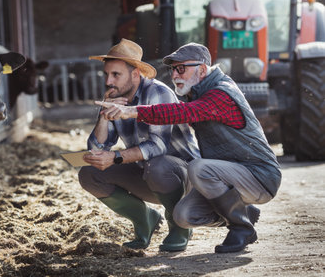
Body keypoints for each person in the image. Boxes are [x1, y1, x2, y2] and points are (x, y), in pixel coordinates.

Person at [95, 42, 282, 253]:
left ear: (202, 70)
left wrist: (132, 111)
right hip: (229, 176)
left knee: (199, 168)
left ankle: (240, 228)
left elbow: (183, 112)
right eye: (173, 69)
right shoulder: (199, 92)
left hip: (260, 176)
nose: (175, 75)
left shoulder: (221, 93)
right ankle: (242, 212)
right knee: (183, 217)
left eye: (181, 68)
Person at [79, 39, 200, 251]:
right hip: (149, 174)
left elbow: (157, 147)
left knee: (158, 165)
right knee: (89, 174)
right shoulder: (117, 98)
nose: (109, 82)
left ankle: (180, 226)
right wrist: (104, 116)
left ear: (135, 74)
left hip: (183, 177)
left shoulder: (157, 93)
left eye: (116, 75)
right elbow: (97, 147)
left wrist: (116, 158)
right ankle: (144, 220)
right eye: (106, 74)